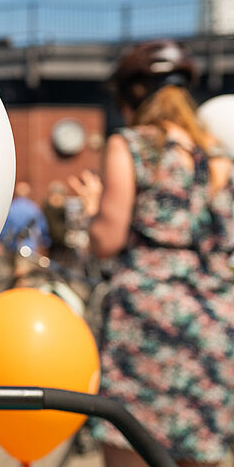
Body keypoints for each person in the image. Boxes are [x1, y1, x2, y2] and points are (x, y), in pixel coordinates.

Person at [69, 39, 234, 467]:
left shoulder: (132, 145)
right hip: (213, 321)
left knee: (132, 447)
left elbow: (108, 239)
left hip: (146, 323)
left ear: (131, 98)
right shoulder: (218, 154)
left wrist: (93, 211)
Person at [0, 181, 51, 279]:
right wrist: (45, 242)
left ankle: (19, 290)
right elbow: (43, 227)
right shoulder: (34, 208)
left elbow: (3, 227)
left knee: (16, 273)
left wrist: (0, 241)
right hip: (28, 247)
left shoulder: (11, 208)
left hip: (12, 246)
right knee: (24, 273)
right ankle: (21, 290)